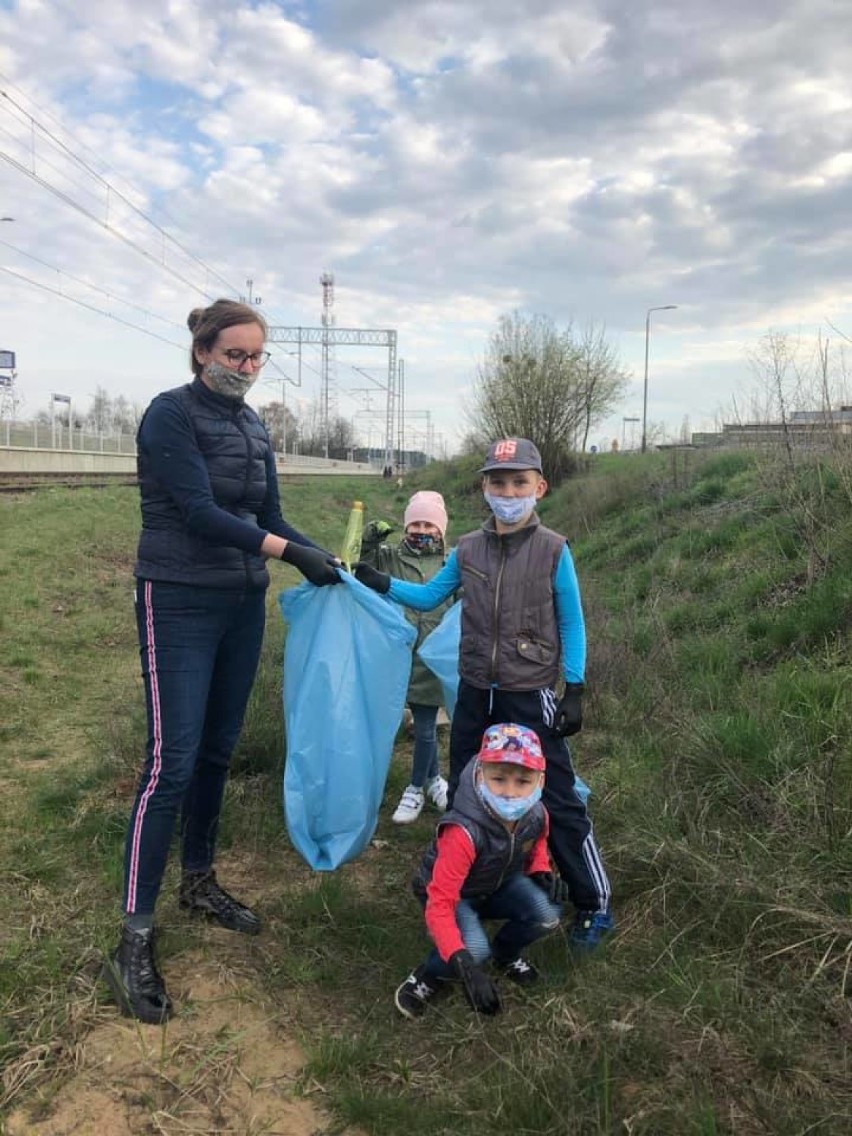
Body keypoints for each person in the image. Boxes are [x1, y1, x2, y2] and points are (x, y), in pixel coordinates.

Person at [103, 299, 340, 1026]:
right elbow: (203, 513)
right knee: (169, 765)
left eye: (256, 357)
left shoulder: (254, 424)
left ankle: (199, 881)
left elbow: (268, 518)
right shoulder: (167, 416)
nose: (246, 368)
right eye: (234, 355)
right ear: (202, 351)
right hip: (177, 600)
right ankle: (133, 939)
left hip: (242, 605)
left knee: (217, 752)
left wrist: (319, 554)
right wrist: (287, 552)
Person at [355, 437, 613, 951]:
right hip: (475, 692)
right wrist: (381, 583)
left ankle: (592, 902)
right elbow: (430, 596)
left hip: (530, 692)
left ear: (539, 487)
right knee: (472, 795)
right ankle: (476, 889)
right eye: (498, 482)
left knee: (555, 798)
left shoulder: (554, 550)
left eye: (519, 482)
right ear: (484, 488)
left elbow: (573, 622)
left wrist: (575, 687)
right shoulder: (469, 548)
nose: (508, 491)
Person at [395, 723, 564, 1019]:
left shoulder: (536, 813)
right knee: (473, 949)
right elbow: (440, 906)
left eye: (523, 781)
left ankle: (506, 954)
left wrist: (539, 869)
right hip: (453, 896)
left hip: (497, 886)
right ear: (479, 774)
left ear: (540, 781)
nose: (510, 793)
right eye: (498, 779)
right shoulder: (463, 833)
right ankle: (428, 975)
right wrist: (466, 965)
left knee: (548, 915)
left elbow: (538, 841)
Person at [358, 491, 454, 823]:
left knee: (426, 725)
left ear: (441, 530)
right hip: (397, 653)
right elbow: (363, 571)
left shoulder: (450, 562)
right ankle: (433, 780)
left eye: (429, 524)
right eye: (415, 523)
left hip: (432, 657)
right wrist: (369, 542)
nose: (421, 530)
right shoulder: (390, 557)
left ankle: (414, 788)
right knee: (423, 725)